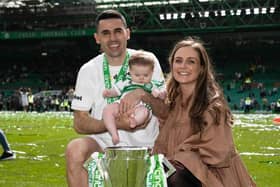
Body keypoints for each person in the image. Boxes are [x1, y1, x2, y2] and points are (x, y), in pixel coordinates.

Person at [132, 37, 256, 186]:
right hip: (178, 174)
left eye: (191, 61)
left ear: (202, 67)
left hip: (211, 178)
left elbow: (220, 152)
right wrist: (139, 94)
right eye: (178, 61)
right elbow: (161, 114)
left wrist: (182, 154)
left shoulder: (212, 105)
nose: (183, 66)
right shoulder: (174, 102)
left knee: (175, 175)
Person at [65, 9, 165, 187]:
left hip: (147, 145)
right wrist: (115, 124)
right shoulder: (88, 70)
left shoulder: (148, 60)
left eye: (118, 31)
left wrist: (142, 95)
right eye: (106, 33)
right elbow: (79, 123)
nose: (113, 38)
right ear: (97, 38)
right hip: (104, 145)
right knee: (75, 149)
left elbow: (165, 110)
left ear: (127, 33)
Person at [102, 50, 166, 145]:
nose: (141, 78)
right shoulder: (126, 82)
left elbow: (157, 94)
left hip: (140, 106)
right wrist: (109, 92)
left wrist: (160, 94)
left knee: (144, 112)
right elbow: (116, 90)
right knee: (107, 110)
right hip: (122, 105)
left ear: (152, 73)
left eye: (145, 75)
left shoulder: (150, 85)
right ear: (130, 72)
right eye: (137, 75)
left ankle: (134, 121)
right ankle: (114, 133)